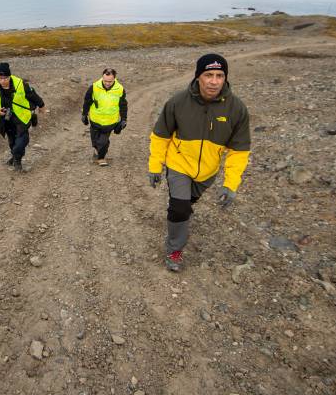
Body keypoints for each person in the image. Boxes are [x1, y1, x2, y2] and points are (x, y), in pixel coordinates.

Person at [147, 53, 250, 272]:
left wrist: (231, 184)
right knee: (180, 208)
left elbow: (239, 151)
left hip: (207, 172)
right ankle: (174, 250)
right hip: (179, 165)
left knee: (186, 205)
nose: (214, 81)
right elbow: (160, 137)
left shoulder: (237, 109)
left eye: (219, 75)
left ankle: (179, 215)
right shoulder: (177, 102)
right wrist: (155, 166)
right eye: (208, 75)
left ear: (225, 78)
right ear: (198, 77)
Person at [0, 62, 44, 172]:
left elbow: (32, 95)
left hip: (22, 117)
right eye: (0, 78)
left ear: (9, 76)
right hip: (5, 119)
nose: (3, 81)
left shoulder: (20, 84)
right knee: (12, 141)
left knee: (22, 139)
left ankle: (17, 160)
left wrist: (41, 105)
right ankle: (15, 156)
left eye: (5, 78)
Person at [81, 68, 128, 166]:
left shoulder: (120, 89)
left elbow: (123, 105)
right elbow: (87, 101)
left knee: (103, 141)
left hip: (110, 121)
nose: (107, 83)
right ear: (102, 77)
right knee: (95, 140)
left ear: (114, 78)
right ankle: (96, 150)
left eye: (110, 81)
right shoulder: (94, 87)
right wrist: (84, 114)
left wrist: (124, 119)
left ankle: (101, 158)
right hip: (95, 119)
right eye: (105, 81)